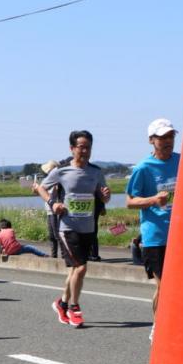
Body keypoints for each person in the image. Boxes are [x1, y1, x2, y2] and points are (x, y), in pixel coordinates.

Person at [38, 130, 111, 327]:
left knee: (74, 271)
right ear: (72, 148)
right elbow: (41, 188)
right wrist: (53, 203)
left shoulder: (96, 172)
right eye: (81, 147)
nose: (85, 151)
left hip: (88, 227)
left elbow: (104, 195)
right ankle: (74, 307)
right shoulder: (61, 171)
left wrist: (105, 196)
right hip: (67, 226)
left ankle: (62, 303)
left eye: (88, 147)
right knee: (81, 267)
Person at [125, 118, 180, 340]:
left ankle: (175, 325)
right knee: (165, 286)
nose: (167, 141)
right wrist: (153, 199)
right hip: (155, 236)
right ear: (151, 140)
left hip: (182, 235)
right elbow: (129, 201)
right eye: (162, 137)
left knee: (180, 287)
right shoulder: (143, 168)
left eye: (170, 136)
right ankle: (158, 327)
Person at [36, 159, 62, 258]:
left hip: (54, 211)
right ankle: (54, 256)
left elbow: (51, 195)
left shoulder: (56, 181)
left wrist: (39, 189)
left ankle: (64, 255)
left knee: (56, 235)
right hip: (49, 211)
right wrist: (38, 190)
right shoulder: (50, 180)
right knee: (52, 236)